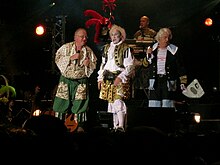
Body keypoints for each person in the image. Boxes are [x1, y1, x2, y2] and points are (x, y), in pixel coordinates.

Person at [53, 28, 97, 133]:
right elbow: (57, 58)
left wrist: (88, 64)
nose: (85, 39)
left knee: (81, 104)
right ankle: (57, 128)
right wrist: (70, 58)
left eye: (86, 37)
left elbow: (93, 64)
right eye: (82, 36)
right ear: (75, 37)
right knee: (61, 103)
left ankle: (80, 129)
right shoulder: (66, 48)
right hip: (66, 80)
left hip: (81, 82)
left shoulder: (89, 51)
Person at [97, 24, 135, 132]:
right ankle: (115, 126)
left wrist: (120, 77)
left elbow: (130, 66)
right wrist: (100, 78)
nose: (114, 37)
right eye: (112, 35)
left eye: (116, 35)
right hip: (108, 78)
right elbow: (103, 64)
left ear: (121, 36)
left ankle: (121, 126)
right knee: (111, 102)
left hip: (119, 78)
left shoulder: (126, 48)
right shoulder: (107, 48)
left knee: (118, 101)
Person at [144, 27, 187, 107]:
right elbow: (145, 65)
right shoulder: (152, 49)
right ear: (159, 38)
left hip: (168, 81)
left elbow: (180, 67)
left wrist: (183, 82)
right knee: (154, 105)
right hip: (155, 81)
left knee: (168, 105)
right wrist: (148, 56)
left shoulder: (174, 50)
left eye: (168, 37)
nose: (167, 40)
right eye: (165, 37)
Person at [132, 16, 157, 101]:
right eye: (140, 21)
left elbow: (155, 45)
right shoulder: (137, 34)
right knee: (138, 82)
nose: (141, 23)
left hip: (148, 61)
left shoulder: (153, 33)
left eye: (143, 21)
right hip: (138, 60)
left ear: (147, 22)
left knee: (146, 80)